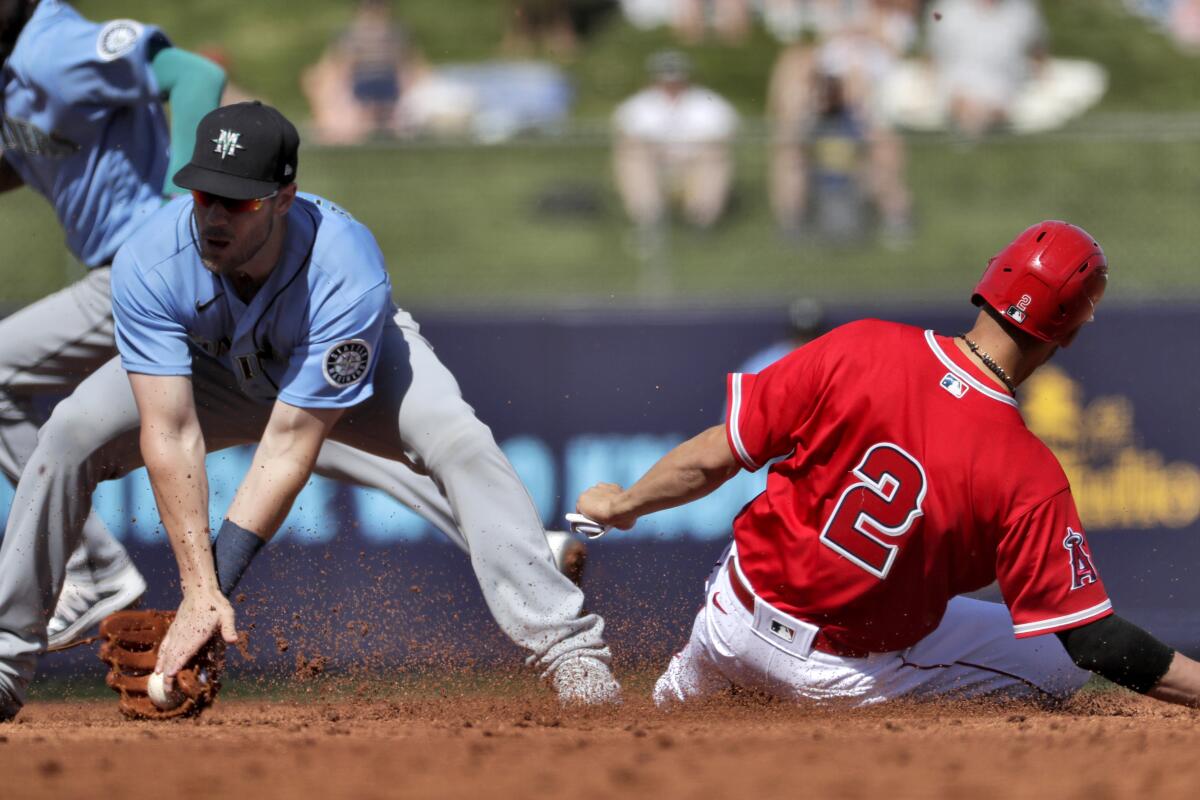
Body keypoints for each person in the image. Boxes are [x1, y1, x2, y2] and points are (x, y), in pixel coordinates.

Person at [0, 102, 619, 722]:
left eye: (237, 202)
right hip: (210, 372)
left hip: (345, 367)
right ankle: (4, 666)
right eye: (204, 195)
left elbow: (289, 445)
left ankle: (571, 652)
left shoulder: (344, 267)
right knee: (68, 434)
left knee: (457, 439)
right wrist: (199, 592)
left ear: (283, 198)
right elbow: (171, 429)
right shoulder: (151, 259)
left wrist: (214, 598)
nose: (214, 216)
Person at [576, 221, 1200, 709]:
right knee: (1058, 666)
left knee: (663, 724)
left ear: (991, 280)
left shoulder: (859, 345)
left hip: (729, 620)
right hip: (835, 674)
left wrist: (623, 503)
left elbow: (717, 454)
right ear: (1068, 331)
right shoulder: (1026, 469)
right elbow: (1092, 640)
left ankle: (653, 692)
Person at [0, 0, 226, 649]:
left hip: (142, 262)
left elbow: (193, 77)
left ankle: (95, 565)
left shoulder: (51, 48)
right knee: (351, 433)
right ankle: (526, 550)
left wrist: (186, 206)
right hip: (120, 271)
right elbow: (29, 153)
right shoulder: (13, 71)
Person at [612, 51, 739, 233]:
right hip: (656, 168)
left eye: (676, 81)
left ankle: (701, 222)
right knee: (632, 155)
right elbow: (628, 137)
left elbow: (724, 135)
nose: (671, 87)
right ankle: (649, 224)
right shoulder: (638, 105)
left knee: (714, 155)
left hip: (695, 167)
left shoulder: (707, 102)